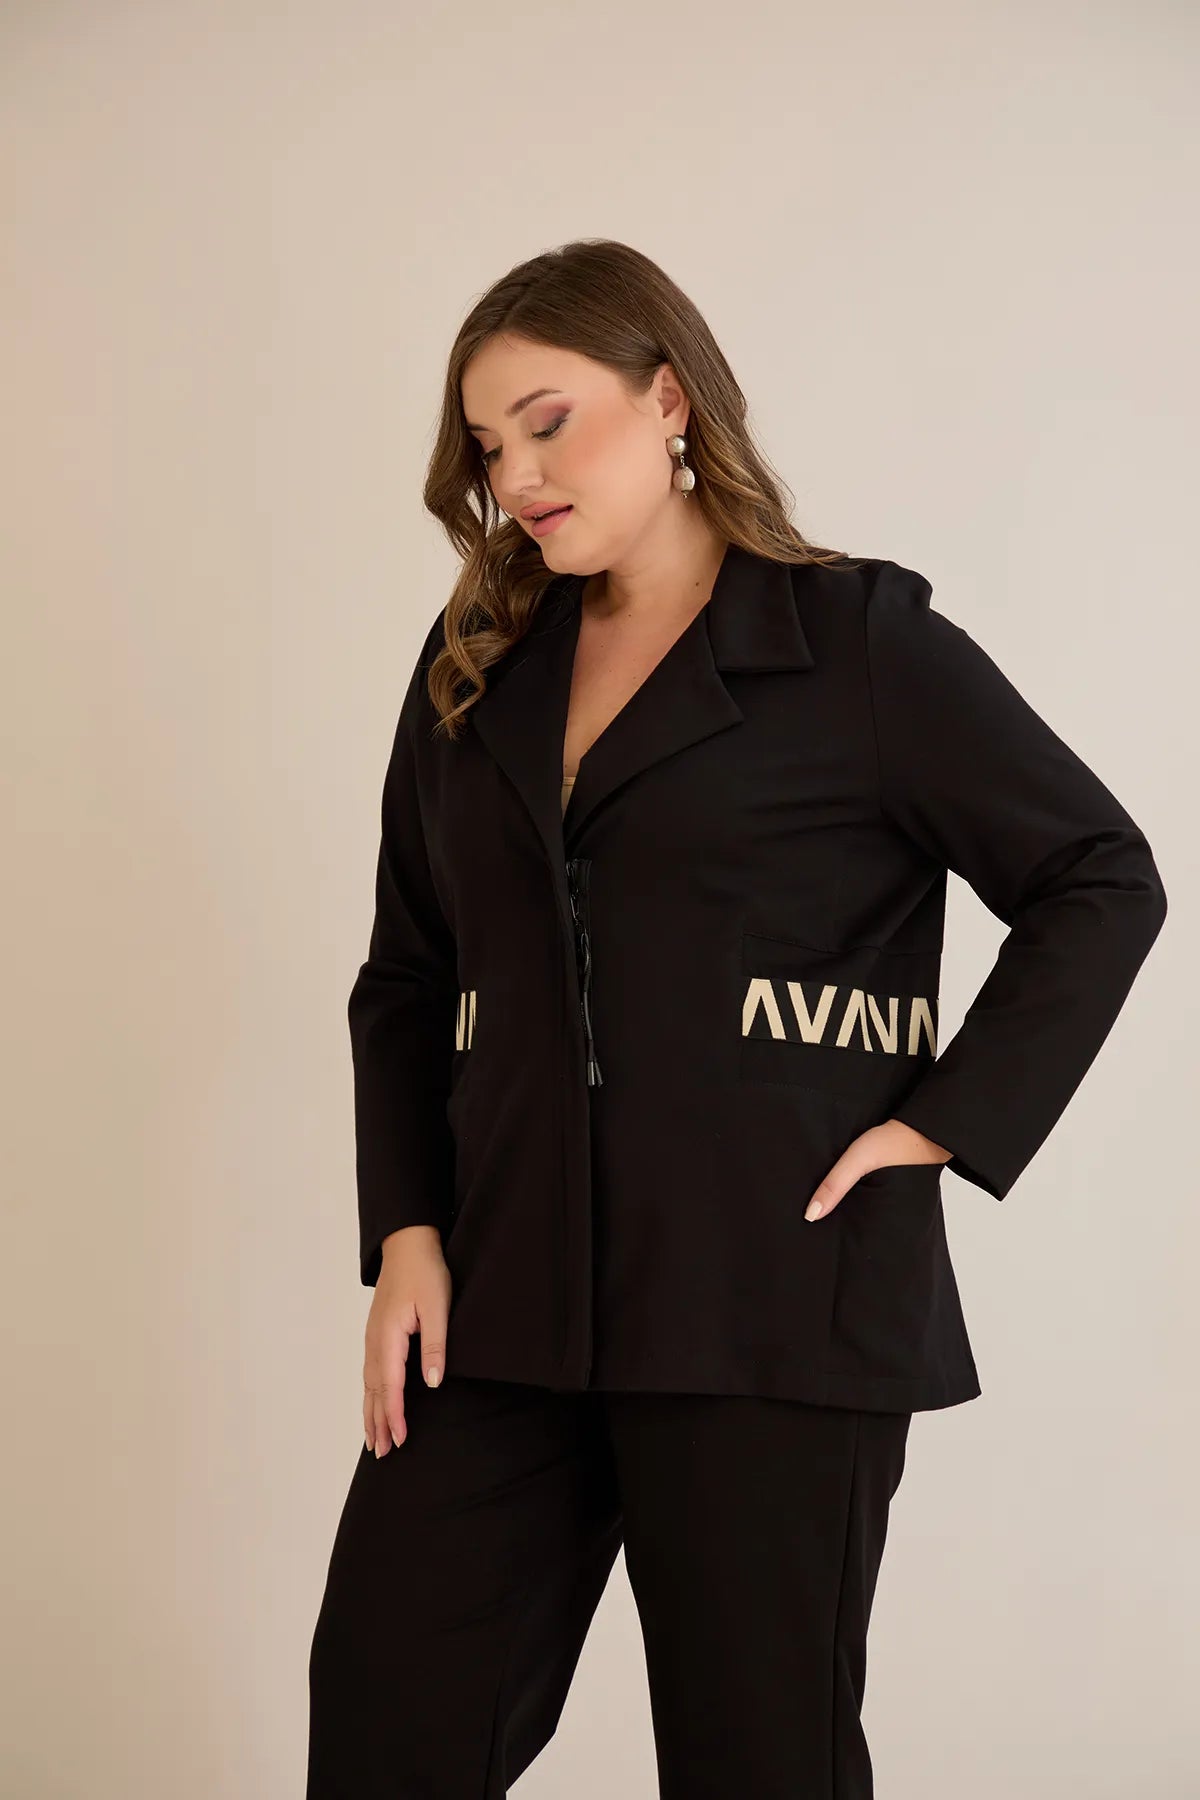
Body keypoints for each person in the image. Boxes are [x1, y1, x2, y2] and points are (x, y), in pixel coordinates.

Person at [306, 239, 1168, 1799]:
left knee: (758, 1763)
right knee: (387, 1719)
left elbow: (1099, 876)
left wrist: (942, 1125)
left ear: (669, 400)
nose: (517, 475)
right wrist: (407, 1231)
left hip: (772, 1301)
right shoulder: (476, 668)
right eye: (490, 446)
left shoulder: (856, 644)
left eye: (550, 422)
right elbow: (406, 976)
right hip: (503, 1297)